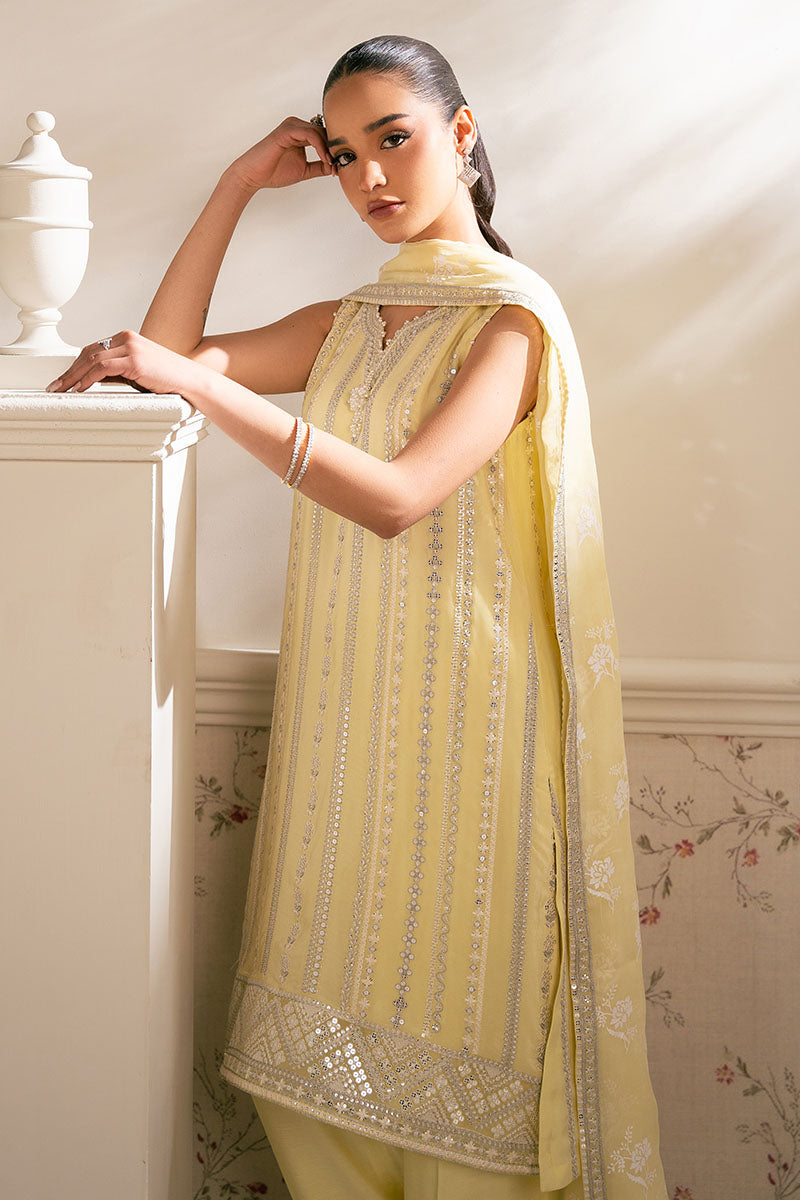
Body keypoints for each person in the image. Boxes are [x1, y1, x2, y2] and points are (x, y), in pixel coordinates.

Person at [47, 33, 668, 1200]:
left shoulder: (512, 322)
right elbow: (158, 362)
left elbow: (396, 498)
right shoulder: (351, 319)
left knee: (465, 1030)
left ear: (461, 133)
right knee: (312, 1058)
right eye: (341, 155)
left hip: (476, 730)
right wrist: (234, 185)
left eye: (393, 139)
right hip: (346, 717)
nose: (368, 177)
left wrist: (203, 384)